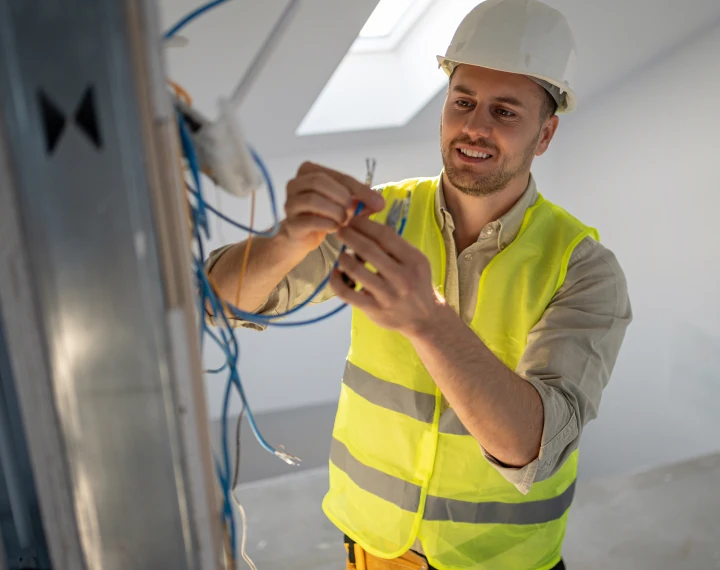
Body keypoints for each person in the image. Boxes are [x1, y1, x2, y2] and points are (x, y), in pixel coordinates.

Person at [206, 0, 632, 568]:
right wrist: (289, 238)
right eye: (463, 102)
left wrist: (425, 318)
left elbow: (531, 448)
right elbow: (217, 303)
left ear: (546, 133)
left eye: (506, 112)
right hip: (374, 549)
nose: (475, 126)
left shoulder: (584, 268)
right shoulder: (378, 215)